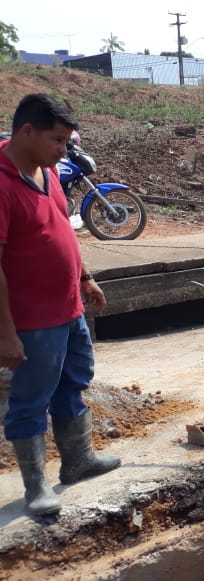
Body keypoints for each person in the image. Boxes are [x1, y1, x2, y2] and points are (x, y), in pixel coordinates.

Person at [1, 94, 121, 517]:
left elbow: (60, 235)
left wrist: (84, 277)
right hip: (32, 320)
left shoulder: (48, 174)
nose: (63, 151)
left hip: (68, 309)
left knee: (73, 382)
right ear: (27, 131)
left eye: (68, 142)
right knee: (30, 400)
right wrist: (5, 332)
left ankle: (77, 461)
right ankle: (36, 488)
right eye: (57, 140)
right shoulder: (0, 183)